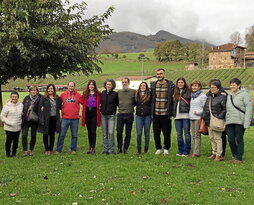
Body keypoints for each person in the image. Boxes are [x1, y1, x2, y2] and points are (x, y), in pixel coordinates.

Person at [225, 78, 252, 163]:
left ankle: (239, 158)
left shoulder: (245, 94)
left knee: (239, 139)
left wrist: (247, 122)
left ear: (238, 85)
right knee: (230, 139)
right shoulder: (229, 95)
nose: (232, 86)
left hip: (240, 121)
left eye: (234, 85)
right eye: (231, 85)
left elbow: (249, 108)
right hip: (230, 121)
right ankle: (235, 155)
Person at [151, 68, 175, 155]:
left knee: (166, 132)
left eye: (161, 73)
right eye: (157, 74)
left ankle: (166, 148)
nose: (159, 75)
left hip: (166, 113)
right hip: (155, 113)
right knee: (156, 132)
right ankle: (158, 148)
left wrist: (172, 110)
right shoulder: (153, 85)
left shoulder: (170, 85)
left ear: (164, 74)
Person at [56, 81, 83, 154]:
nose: (71, 87)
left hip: (75, 119)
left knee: (74, 135)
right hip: (65, 118)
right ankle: (59, 149)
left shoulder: (78, 95)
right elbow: (58, 103)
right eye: (69, 86)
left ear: (74, 87)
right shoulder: (63, 95)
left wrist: (81, 112)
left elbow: (84, 103)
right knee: (62, 135)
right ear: (67, 86)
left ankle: (73, 149)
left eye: (72, 86)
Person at [203, 79, 227, 161]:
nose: (212, 89)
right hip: (209, 120)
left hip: (217, 120)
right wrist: (206, 118)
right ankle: (214, 152)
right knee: (211, 137)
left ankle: (219, 154)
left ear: (218, 88)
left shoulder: (222, 97)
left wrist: (219, 117)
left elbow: (224, 109)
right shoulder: (209, 97)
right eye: (211, 87)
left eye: (214, 87)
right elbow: (206, 108)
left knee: (217, 138)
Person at [38, 84, 61, 155]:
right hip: (46, 118)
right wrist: (41, 117)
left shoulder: (57, 98)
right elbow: (40, 108)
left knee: (52, 134)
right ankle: (46, 149)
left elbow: (60, 106)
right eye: (49, 89)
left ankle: (51, 148)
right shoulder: (44, 98)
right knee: (45, 133)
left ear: (54, 90)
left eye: (52, 89)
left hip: (54, 118)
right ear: (47, 89)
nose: (50, 90)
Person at [1, 91, 23, 157]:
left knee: (16, 141)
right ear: (10, 97)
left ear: (18, 97)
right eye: (13, 97)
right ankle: (8, 153)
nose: (14, 98)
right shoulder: (6, 106)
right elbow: (2, 116)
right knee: (9, 141)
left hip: (18, 127)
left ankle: (14, 153)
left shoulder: (21, 105)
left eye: (16, 97)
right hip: (9, 128)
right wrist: (9, 122)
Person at [116, 77, 136, 154]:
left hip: (129, 114)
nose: (124, 84)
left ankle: (126, 148)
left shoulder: (133, 92)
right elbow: (117, 102)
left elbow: (135, 102)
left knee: (128, 133)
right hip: (120, 114)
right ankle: (119, 148)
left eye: (126, 82)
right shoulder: (119, 92)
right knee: (119, 132)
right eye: (123, 82)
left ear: (129, 83)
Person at [173, 77, 191, 157]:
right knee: (179, 134)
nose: (180, 84)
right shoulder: (175, 92)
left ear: (184, 83)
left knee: (186, 134)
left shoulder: (188, 91)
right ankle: (180, 150)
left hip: (185, 115)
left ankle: (186, 151)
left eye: (181, 82)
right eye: (179, 82)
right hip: (177, 116)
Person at [82, 80, 101, 154]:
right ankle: (90, 147)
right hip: (87, 112)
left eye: (92, 85)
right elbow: (81, 101)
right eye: (90, 84)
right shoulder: (85, 93)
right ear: (88, 86)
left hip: (94, 113)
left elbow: (102, 102)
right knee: (89, 131)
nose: (91, 86)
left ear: (95, 86)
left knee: (93, 131)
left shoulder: (98, 94)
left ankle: (93, 147)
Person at [21, 85, 42, 156]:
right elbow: (23, 107)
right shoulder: (26, 98)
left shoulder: (40, 98)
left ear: (37, 91)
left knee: (33, 135)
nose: (33, 91)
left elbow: (42, 108)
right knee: (24, 135)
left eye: (35, 90)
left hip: (35, 119)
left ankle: (31, 150)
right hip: (26, 119)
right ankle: (25, 151)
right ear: (30, 91)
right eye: (32, 90)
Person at [189, 80, 207, 157]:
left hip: (198, 118)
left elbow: (205, 108)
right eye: (193, 85)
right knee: (193, 135)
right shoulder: (192, 96)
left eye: (196, 86)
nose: (194, 87)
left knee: (197, 135)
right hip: (191, 117)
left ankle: (196, 153)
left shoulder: (203, 96)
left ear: (199, 87)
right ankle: (195, 151)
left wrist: (198, 112)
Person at [100, 79, 118, 154]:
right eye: (107, 84)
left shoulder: (115, 94)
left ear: (112, 86)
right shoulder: (103, 93)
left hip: (111, 116)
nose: (108, 86)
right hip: (103, 115)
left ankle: (111, 149)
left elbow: (117, 104)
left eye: (110, 84)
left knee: (110, 132)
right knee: (105, 133)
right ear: (105, 85)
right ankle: (105, 149)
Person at [135, 82, 152, 154]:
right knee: (139, 133)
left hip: (147, 116)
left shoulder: (149, 95)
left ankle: (146, 149)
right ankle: (139, 149)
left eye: (144, 85)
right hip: (139, 116)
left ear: (146, 87)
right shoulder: (136, 95)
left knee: (146, 133)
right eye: (141, 85)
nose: (142, 87)